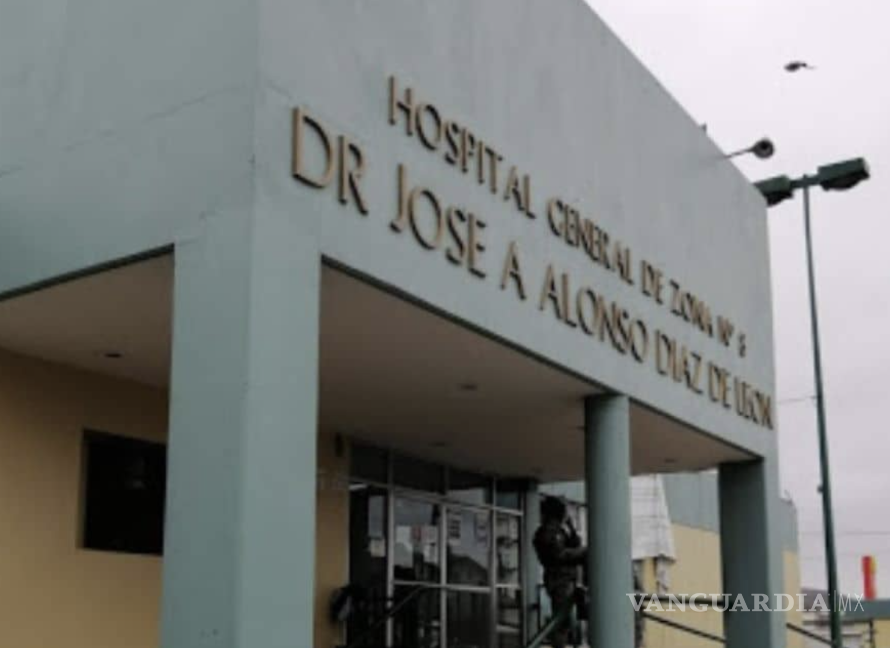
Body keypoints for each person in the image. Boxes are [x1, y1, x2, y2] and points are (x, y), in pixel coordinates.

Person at [533, 496, 586, 648]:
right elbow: (559, 555)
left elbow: (575, 543)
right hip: (559, 580)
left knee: (571, 619)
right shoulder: (546, 532)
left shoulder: (560, 531)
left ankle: (576, 642)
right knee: (562, 621)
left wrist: (571, 526)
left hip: (569, 579)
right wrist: (582, 553)